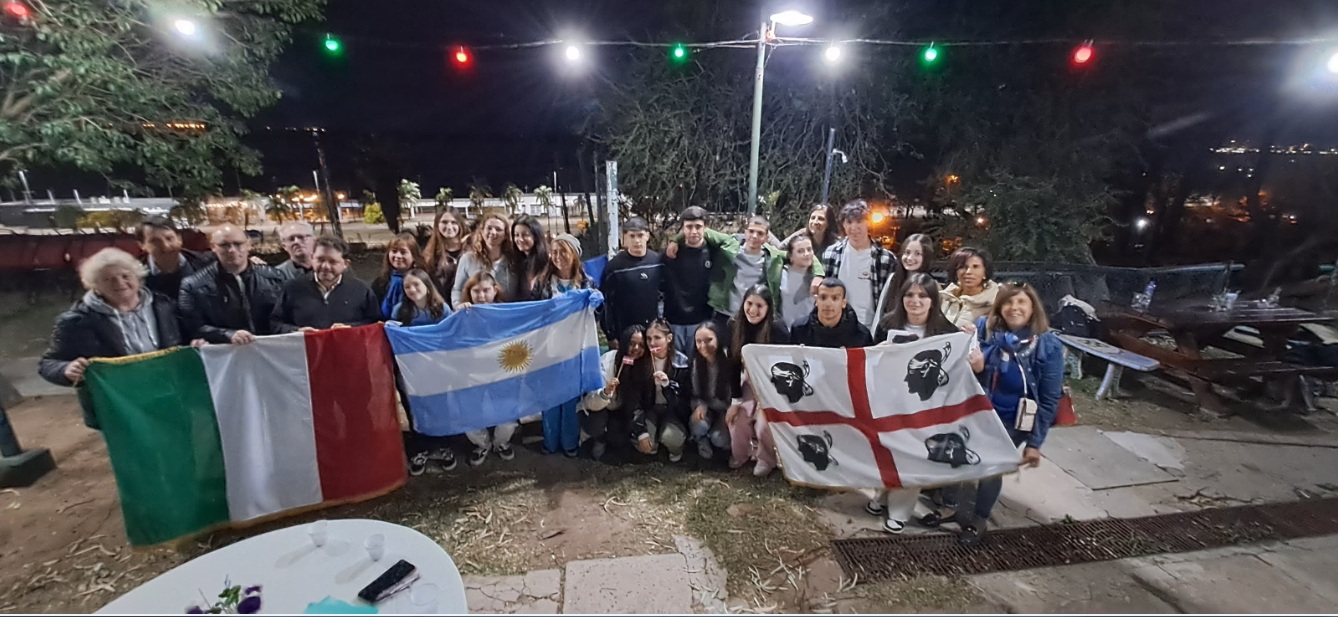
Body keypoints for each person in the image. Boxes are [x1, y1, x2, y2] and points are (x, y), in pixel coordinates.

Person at [923, 282, 1063, 547]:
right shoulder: (986, 330)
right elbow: (970, 366)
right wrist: (968, 344)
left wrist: (1035, 443)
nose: (1015, 308)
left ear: (1033, 308)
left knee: (990, 467)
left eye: (1021, 302)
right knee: (957, 454)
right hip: (979, 411)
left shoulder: (1047, 344)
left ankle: (978, 518)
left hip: (1013, 419)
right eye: (1009, 302)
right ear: (1000, 307)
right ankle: (950, 505)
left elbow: (1049, 397)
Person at [866, 273, 980, 533]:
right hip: (890, 400)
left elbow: (958, 370)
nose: (915, 301)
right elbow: (869, 362)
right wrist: (879, 352)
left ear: (933, 300)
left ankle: (900, 511)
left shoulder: (946, 331)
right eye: (909, 295)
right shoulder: (887, 323)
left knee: (912, 456)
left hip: (925, 407)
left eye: (922, 295)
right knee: (887, 451)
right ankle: (882, 495)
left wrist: (971, 342)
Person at [39, 248, 188, 429]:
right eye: (108, 279)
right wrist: (65, 369)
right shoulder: (75, 321)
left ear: (138, 278)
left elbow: (187, 340)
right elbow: (48, 363)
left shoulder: (166, 306)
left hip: (171, 398)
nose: (119, 283)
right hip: (119, 408)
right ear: (95, 285)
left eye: (126, 276)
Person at [387, 269, 457, 474]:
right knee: (416, 409)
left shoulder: (441, 308)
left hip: (437, 370)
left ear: (427, 286)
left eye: (416, 284)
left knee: (441, 407)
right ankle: (421, 447)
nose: (412, 289)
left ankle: (444, 446)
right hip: (410, 372)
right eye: (407, 286)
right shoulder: (401, 310)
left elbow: (450, 333)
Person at [531, 233, 592, 458]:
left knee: (569, 399)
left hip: (575, 350)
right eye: (554, 252)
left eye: (563, 251)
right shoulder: (542, 283)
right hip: (548, 349)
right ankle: (549, 442)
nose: (558, 257)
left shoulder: (586, 282)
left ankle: (569, 443)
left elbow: (594, 317)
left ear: (575, 254)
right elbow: (532, 315)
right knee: (549, 399)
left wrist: (596, 303)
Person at [455, 270, 523, 466]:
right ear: (469, 293)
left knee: (508, 414)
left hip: (502, 372)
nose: (481, 296)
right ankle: (482, 444)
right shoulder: (463, 314)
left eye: (486, 290)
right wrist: (459, 315)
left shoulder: (506, 313)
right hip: (473, 373)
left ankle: (502, 443)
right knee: (470, 413)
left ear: (495, 290)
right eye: (476, 291)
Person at [178, 224, 286, 345]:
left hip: (270, 351)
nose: (232, 250)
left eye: (238, 244)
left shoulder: (275, 278)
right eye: (224, 245)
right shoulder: (193, 285)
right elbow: (192, 327)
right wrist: (227, 334)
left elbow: (284, 318)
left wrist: (295, 331)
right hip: (227, 355)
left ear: (248, 244)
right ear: (213, 246)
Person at [725, 285, 789, 476]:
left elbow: (784, 368)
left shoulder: (778, 329)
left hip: (773, 386)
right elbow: (733, 365)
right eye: (749, 304)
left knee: (764, 425)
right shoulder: (734, 324)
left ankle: (766, 459)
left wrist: (768, 400)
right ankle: (742, 454)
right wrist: (735, 401)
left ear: (769, 308)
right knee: (737, 420)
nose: (753, 310)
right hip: (749, 379)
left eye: (759, 306)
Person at [271, 235, 381, 333]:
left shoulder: (361, 290)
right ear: (312, 258)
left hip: (347, 353)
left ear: (346, 264)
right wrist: (295, 331)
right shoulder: (292, 288)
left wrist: (351, 328)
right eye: (320, 260)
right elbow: (275, 323)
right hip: (306, 353)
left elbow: (375, 324)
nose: (325, 267)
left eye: (332, 262)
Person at [661, 207, 732, 358]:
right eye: (689, 227)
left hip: (702, 322)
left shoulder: (715, 252)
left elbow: (732, 240)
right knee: (675, 368)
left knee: (699, 366)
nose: (694, 231)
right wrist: (675, 240)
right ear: (682, 228)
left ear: (705, 228)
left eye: (698, 226)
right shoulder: (669, 254)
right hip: (673, 321)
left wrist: (676, 238)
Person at [821, 200, 899, 331]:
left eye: (859, 222)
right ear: (844, 225)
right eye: (849, 222)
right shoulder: (831, 254)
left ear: (868, 223)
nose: (854, 228)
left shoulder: (885, 259)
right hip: (836, 327)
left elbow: (891, 300)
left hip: (870, 329)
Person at [629, 319, 692, 462]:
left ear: (669, 338)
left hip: (672, 412)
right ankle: (652, 442)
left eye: (657, 338)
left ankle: (676, 448)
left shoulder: (681, 363)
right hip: (649, 409)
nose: (652, 343)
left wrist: (668, 386)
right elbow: (634, 399)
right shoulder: (641, 363)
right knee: (647, 445)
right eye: (649, 338)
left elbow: (683, 402)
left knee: (672, 438)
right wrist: (641, 431)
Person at [582, 325, 648, 461]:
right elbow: (588, 400)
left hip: (621, 411)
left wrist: (641, 432)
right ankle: (598, 440)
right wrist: (605, 393)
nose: (636, 349)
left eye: (641, 345)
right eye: (632, 344)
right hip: (599, 409)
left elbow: (638, 403)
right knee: (596, 424)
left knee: (618, 440)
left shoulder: (643, 366)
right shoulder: (606, 363)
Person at [600, 217, 663, 347]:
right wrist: (610, 335)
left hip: (654, 333)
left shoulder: (658, 262)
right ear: (625, 238)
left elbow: (665, 296)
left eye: (640, 235)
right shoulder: (614, 267)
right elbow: (606, 304)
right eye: (632, 236)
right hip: (625, 334)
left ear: (647, 236)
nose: (636, 240)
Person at [138, 215, 214, 299]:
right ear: (142, 245)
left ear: (179, 239)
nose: (165, 246)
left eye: (169, 238)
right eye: (155, 241)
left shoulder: (207, 264)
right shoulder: (134, 277)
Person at [688, 321, 733, 461]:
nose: (703, 346)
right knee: (698, 425)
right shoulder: (696, 362)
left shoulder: (729, 361)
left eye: (708, 340)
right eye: (699, 341)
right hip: (706, 405)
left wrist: (726, 415)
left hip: (726, 408)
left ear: (718, 338)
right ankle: (700, 439)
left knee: (719, 439)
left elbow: (734, 396)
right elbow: (695, 392)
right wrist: (700, 404)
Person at [452, 212, 515, 307]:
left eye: (498, 229)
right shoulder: (467, 259)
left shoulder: (514, 261)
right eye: (489, 228)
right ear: (481, 231)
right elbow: (457, 289)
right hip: (476, 316)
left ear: (506, 235)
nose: (493, 232)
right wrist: (457, 306)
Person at [791, 278, 874, 348]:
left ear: (843, 303)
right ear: (816, 301)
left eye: (835, 298)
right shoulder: (799, 330)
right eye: (823, 297)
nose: (828, 304)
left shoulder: (861, 335)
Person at [874, 233, 935, 329]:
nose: (910, 258)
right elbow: (880, 312)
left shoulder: (931, 284)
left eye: (917, 254)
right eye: (907, 252)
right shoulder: (893, 279)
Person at [941, 247, 1001, 331]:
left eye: (975, 267)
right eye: (962, 267)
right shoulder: (943, 297)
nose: (968, 271)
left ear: (985, 272)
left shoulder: (997, 302)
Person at [373, 233, 424, 320]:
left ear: (414, 256)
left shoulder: (425, 280)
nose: (398, 256)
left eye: (403, 252)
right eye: (394, 251)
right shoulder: (381, 282)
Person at [777, 232, 821, 329]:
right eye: (800, 251)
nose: (806, 254)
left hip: (809, 330)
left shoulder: (818, 276)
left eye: (809, 249)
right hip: (784, 330)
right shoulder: (780, 273)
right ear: (791, 256)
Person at [423, 209, 468, 300]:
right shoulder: (430, 254)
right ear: (437, 225)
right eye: (444, 222)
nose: (449, 226)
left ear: (460, 224)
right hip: (443, 305)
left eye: (454, 222)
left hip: (468, 305)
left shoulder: (471, 249)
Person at [510, 216, 550, 301]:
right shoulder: (516, 263)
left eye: (525, 235)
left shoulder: (549, 262)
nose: (520, 239)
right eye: (516, 235)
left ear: (536, 236)